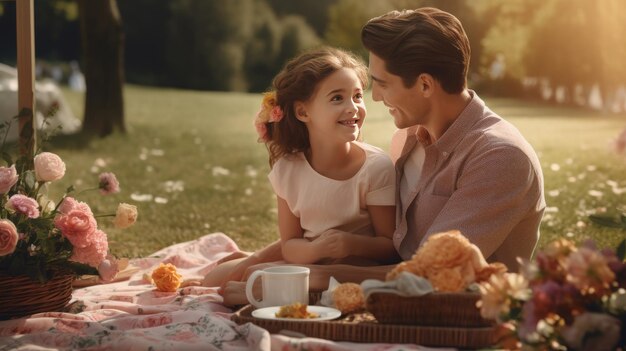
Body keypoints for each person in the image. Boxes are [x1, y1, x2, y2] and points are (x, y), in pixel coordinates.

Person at [220, 7, 545, 305]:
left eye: (382, 84)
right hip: (388, 286)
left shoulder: (499, 157)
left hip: (457, 315)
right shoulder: (408, 137)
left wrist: (299, 281)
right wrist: (253, 263)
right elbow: (377, 239)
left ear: (425, 85)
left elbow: (431, 276)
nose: (374, 98)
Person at [202, 47, 399, 289]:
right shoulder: (288, 170)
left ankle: (249, 266)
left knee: (246, 285)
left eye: (357, 96)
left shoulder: (376, 168)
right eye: (337, 98)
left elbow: (390, 247)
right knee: (213, 281)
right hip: (310, 263)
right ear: (303, 112)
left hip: (357, 273)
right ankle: (243, 262)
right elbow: (291, 245)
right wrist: (316, 248)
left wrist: (351, 244)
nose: (353, 107)